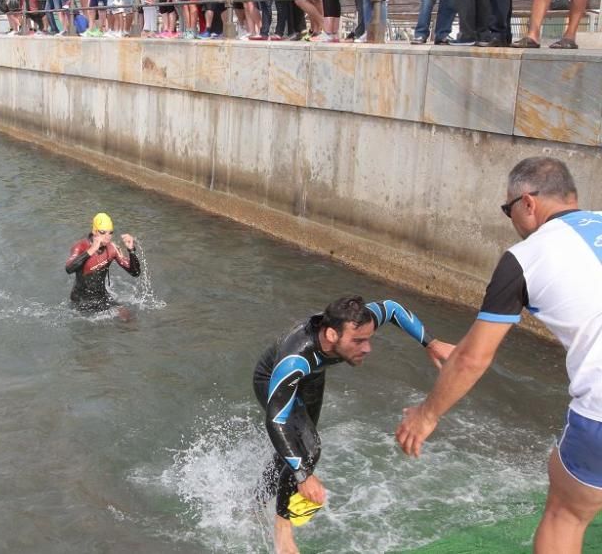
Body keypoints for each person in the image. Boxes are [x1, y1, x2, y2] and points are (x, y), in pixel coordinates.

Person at [397, 157, 602, 554]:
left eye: (507, 210)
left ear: (528, 202)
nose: (510, 219)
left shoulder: (524, 258)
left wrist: (426, 415)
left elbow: (473, 358)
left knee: (566, 512)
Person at [255, 296, 453, 554]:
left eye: (368, 339)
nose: (367, 348)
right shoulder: (295, 359)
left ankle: (257, 501)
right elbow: (276, 419)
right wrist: (303, 475)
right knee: (308, 450)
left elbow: (392, 309)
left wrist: (431, 343)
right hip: (273, 379)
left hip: (312, 376)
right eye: (358, 341)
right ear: (331, 335)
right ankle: (282, 528)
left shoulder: (356, 320)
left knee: (298, 449)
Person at [64, 212, 140, 311]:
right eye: (103, 232)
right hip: (81, 300)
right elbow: (69, 269)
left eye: (110, 232)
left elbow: (135, 273)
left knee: (126, 315)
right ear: (95, 231)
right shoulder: (81, 246)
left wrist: (131, 250)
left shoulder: (112, 248)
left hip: (101, 297)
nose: (107, 236)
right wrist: (91, 250)